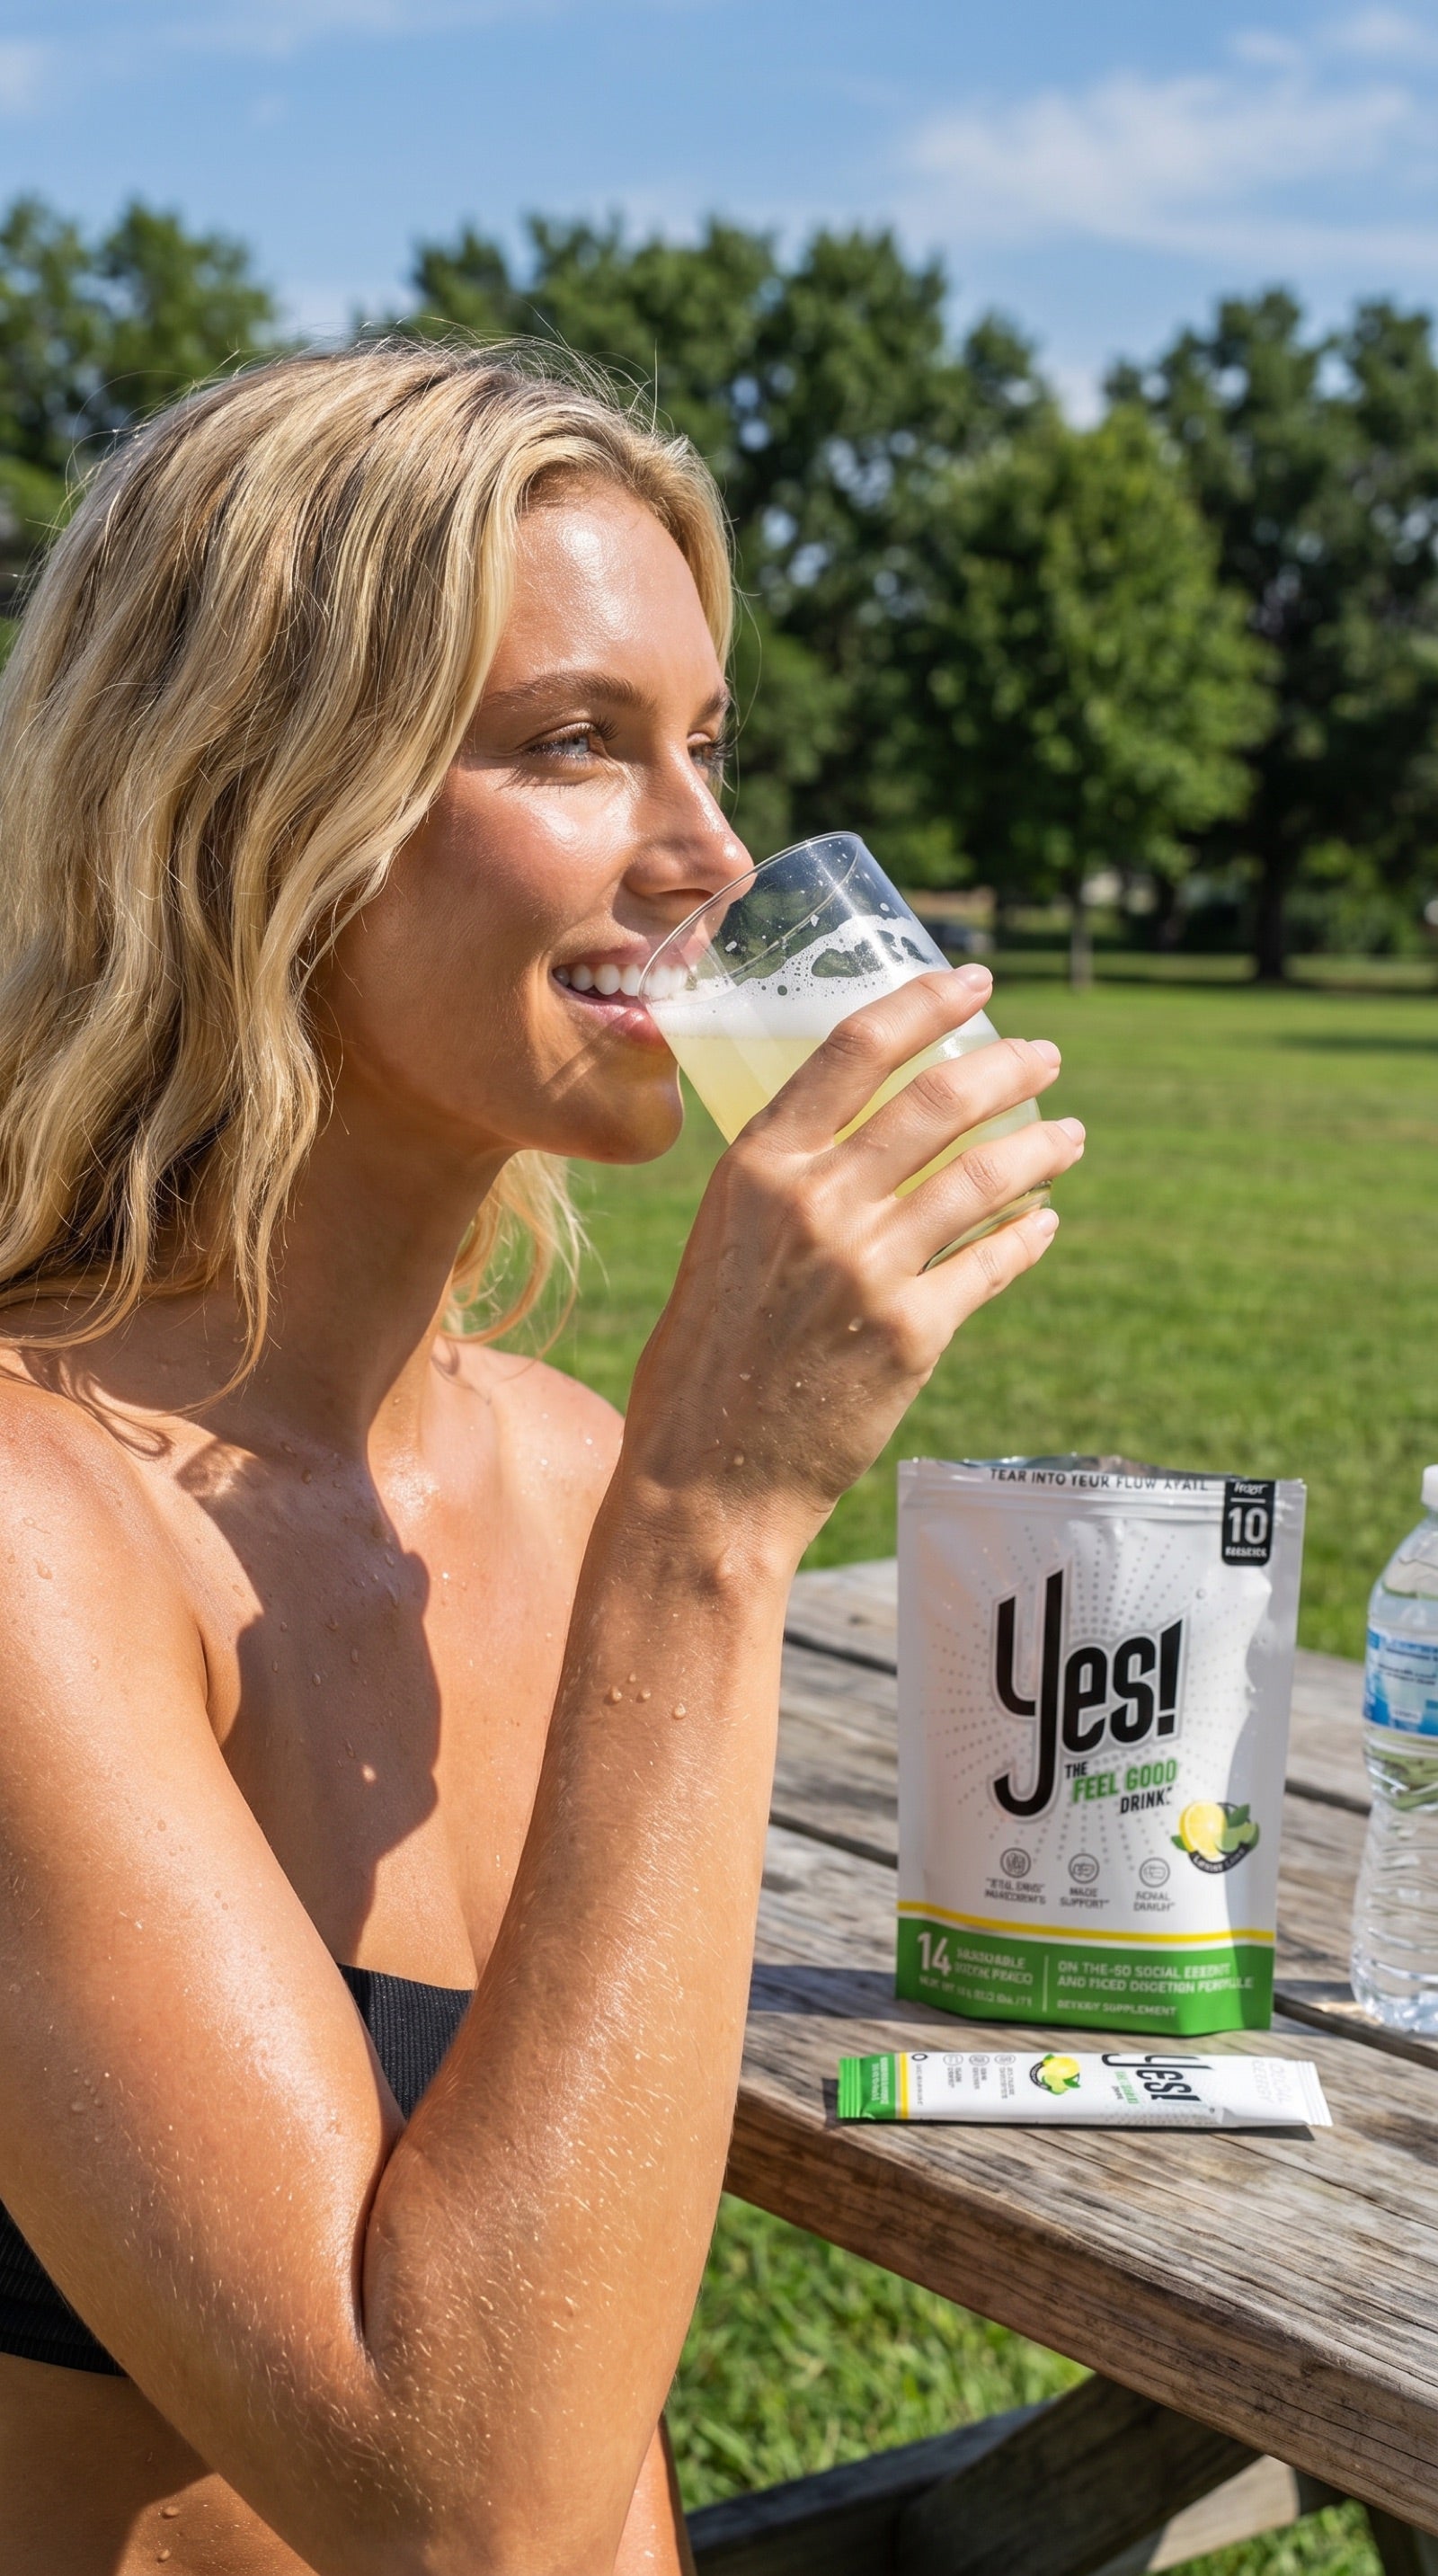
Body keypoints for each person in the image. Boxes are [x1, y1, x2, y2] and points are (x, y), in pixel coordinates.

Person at [0, 343, 1080, 2575]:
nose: (707, 858)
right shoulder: (35, 1526)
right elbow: (455, 2502)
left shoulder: (563, 1461)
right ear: (248, 801)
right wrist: (716, 1524)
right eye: (573, 744)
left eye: (708, 748)